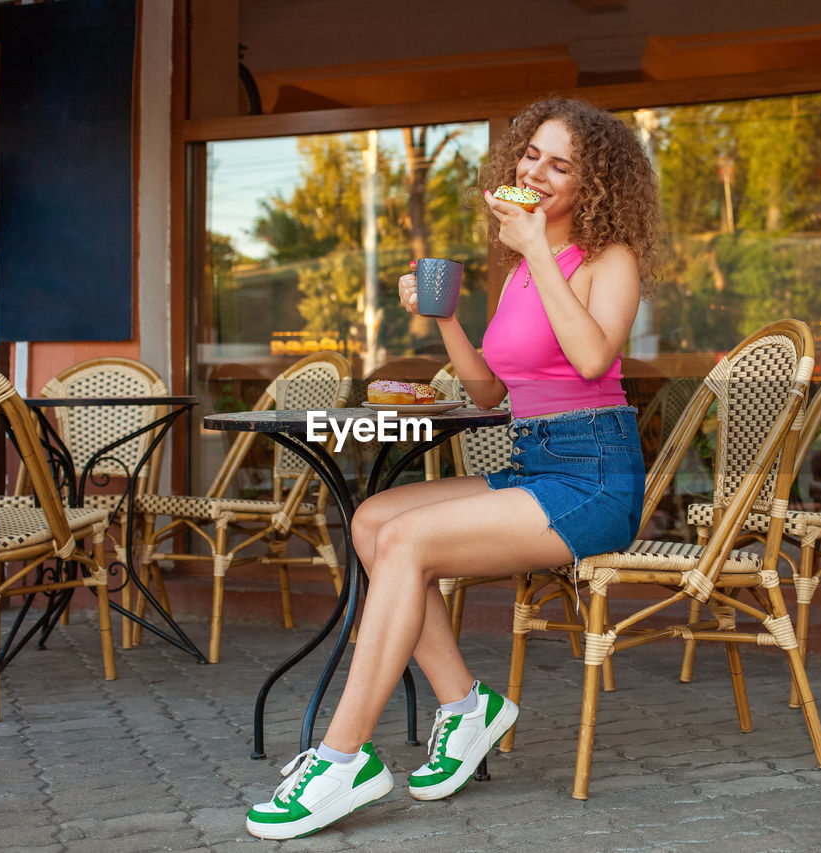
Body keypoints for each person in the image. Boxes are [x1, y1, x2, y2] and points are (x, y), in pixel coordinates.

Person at [246, 97, 661, 840]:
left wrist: (535, 246)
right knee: (374, 519)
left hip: (595, 473)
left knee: (406, 542)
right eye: (531, 153)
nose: (536, 170)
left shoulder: (607, 259)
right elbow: (488, 392)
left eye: (560, 163)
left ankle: (342, 759)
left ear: (593, 183)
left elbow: (594, 357)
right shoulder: (515, 275)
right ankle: (469, 706)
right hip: (535, 460)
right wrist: (441, 317)